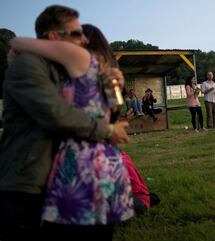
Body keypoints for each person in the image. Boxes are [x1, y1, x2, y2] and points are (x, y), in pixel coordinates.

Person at [1, 6, 131, 241]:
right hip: (28, 178)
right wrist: (106, 130)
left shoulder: (68, 68)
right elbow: (56, 113)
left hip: (63, 172)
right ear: (53, 37)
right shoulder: (28, 65)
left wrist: (113, 86)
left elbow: (104, 107)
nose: (84, 39)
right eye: (76, 33)